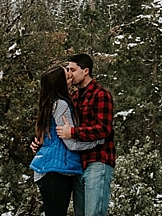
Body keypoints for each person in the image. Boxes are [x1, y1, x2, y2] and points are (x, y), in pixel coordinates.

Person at [30, 66, 105, 215]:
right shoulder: (61, 105)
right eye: (67, 76)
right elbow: (71, 142)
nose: (71, 76)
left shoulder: (50, 103)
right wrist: (97, 141)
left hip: (51, 169)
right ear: (60, 83)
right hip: (55, 171)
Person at [57, 54, 116, 216]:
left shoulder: (101, 94)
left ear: (86, 71)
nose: (69, 73)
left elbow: (104, 129)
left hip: (98, 160)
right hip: (78, 163)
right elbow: (59, 119)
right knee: (80, 214)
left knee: (93, 214)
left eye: (73, 70)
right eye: (68, 70)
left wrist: (73, 133)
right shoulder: (74, 97)